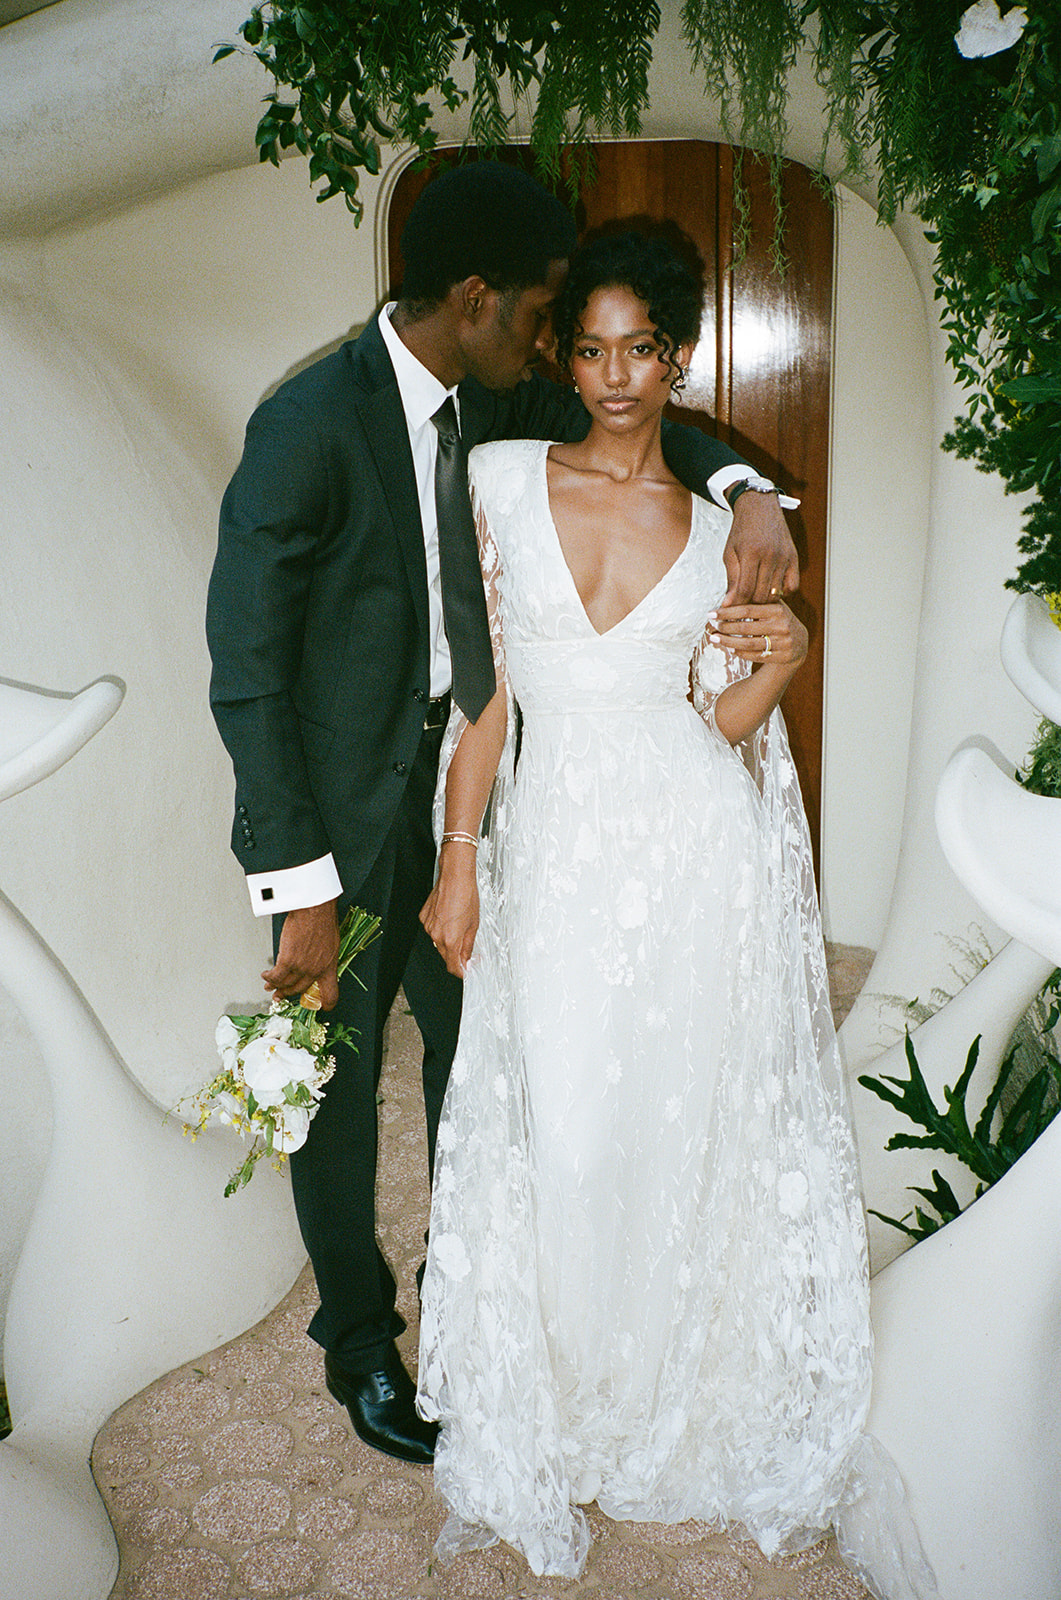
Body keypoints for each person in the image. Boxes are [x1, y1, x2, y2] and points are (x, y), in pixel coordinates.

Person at [206, 164, 798, 1471]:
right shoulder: (303, 426)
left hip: (489, 795)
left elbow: (646, 428)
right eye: (539, 312)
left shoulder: (495, 398)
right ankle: (359, 1348)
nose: (553, 343)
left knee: (493, 1074)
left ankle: (477, 1304)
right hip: (338, 830)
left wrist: (752, 497)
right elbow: (245, 677)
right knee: (336, 1094)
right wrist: (297, 889)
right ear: (473, 297)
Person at [416, 230, 935, 1597]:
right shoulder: (499, 482)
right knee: (567, 1128)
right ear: (559, 357)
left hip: (687, 852)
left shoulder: (720, 534)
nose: (612, 376)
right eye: (587, 349)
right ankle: (567, 1391)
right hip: (557, 845)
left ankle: (661, 1386)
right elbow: (485, 699)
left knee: (666, 1119)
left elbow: (720, 726)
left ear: (680, 358)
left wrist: (791, 652)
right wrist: (457, 854)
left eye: (639, 349)